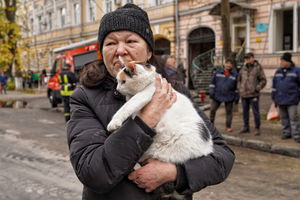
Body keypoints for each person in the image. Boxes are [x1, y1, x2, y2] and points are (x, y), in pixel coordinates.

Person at [67, 3, 235, 200]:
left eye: (131, 41)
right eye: (110, 43)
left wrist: (174, 172)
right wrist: (145, 120)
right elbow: (92, 172)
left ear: (148, 52)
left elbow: (222, 157)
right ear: (102, 52)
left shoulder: (172, 89)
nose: (120, 50)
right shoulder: (85, 97)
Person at [271, 53, 300, 143]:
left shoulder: (296, 71)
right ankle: (286, 133)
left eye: (283, 61)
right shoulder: (278, 71)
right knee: (284, 118)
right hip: (280, 99)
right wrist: (274, 98)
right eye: (281, 60)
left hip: (292, 99)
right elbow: (274, 86)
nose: (281, 62)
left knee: (293, 118)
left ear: (288, 62)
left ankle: (296, 135)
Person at [238, 52, 266, 136]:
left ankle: (257, 128)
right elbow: (239, 80)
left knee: (255, 112)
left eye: (249, 58)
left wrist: (258, 88)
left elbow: (263, 80)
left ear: (253, 58)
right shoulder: (243, 68)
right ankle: (246, 127)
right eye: (246, 58)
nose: (247, 60)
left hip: (254, 94)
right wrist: (239, 88)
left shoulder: (258, 67)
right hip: (244, 94)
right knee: (245, 112)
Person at [209, 59, 239, 132]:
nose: (228, 65)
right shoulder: (217, 72)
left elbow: (237, 87)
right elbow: (212, 83)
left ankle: (228, 126)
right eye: (227, 63)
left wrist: (236, 97)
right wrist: (211, 91)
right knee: (212, 109)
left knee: (229, 112)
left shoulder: (235, 75)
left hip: (229, 96)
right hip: (217, 95)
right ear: (224, 64)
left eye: (230, 63)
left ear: (232, 65)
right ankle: (211, 124)